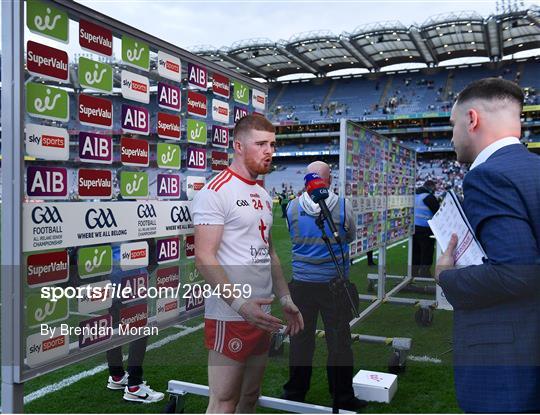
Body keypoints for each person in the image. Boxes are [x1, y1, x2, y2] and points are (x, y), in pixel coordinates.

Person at [435, 78, 540, 413]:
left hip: (507, 361)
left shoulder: (487, 175)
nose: (451, 136)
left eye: (453, 125)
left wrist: (445, 275)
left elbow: (516, 273)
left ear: (472, 119)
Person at [193, 114, 304, 413]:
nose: (269, 151)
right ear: (238, 146)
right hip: (231, 315)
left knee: (250, 396)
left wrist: (285, 298)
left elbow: (269, 253)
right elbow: (204, 257)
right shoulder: (216, 191)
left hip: (263, 313)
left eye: (272, 144)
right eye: (261, 144)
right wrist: (242, 306)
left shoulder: (264, 195)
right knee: (224, 400)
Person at [282, 161, 367, 412]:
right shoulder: (342, 204)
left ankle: (295, 393)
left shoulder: (292, 207)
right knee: (339, 342)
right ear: (328, 181)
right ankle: (342, 397)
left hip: (302, 285)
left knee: (300, 341)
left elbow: (292, 235)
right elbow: (350, 236)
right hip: (335, 285)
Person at [105, 241, 164, 403]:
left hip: (110, 273)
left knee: (115, 323)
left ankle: (116, 375)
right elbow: (149, 243)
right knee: (140, 325)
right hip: (130, 272)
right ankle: (134, 386)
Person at [412, 179, 440, 277]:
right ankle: (424, 273)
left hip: (414, 228)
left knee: (415, 251)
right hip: (426, 229)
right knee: (427, 251)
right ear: (431, 187)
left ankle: (414, 273)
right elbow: (438, 212)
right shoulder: (429, 197)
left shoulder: (414, 196)